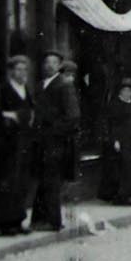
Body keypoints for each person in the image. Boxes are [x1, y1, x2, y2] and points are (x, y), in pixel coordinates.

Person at [36, 51, 81, 230]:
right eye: (46, 62)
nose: (49, 66)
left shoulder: (64, 85)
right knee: (43, 179)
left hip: (55, 142)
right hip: (41, 141)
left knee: (52, 180)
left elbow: (73, 116)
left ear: (59, 66)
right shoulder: (40, 85)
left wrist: (55, 131)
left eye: (54, 63)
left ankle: (54, 221)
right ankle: (39, 219)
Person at [0, 55, 40, 233]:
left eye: (24, 70)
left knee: (22, 182)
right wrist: (16, 115)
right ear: (11, 71)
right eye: (18, 69)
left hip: (25, 143)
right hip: (9, 144)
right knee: (8, 182)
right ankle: (6, 224)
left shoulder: (25, 90)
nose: (22, 73)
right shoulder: (3, 91)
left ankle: (18, 220)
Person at [101, 78, 131, 204]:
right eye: (124, 90)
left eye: (129, 91)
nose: (127, 93)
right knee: (121, 168)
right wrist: (114, 140)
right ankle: (120, 196)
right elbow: (112, 125)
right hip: (121, 140)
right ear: (120, 92)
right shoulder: (115, 105)